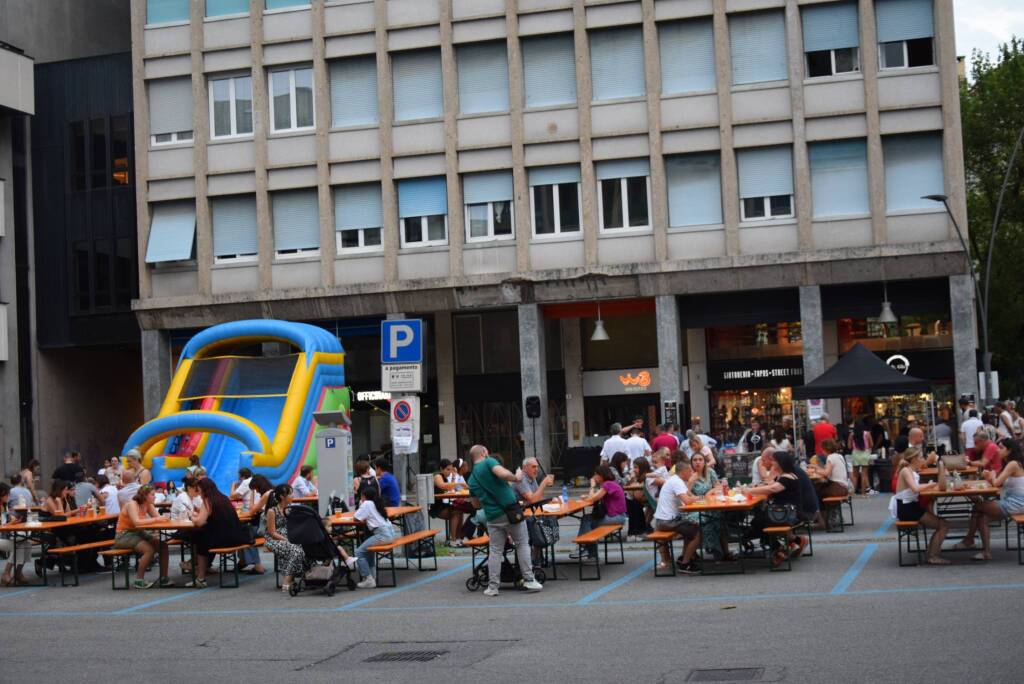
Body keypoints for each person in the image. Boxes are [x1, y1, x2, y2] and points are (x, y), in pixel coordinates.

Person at [466, 444, 543, 596]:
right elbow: (501, 473)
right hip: (510, 511)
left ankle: (493, 587)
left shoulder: (471, 479)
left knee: (495, 550)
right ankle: (528, 579)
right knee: (522, 543)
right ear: (484, 452)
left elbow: (475, 504)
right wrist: (517, 477)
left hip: (492, 516)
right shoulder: (488, 462)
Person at [265, 484, 357, 594]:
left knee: (305, 547)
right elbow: (272, 532)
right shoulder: (272, 511)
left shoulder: (291, 509)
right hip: (275, 539)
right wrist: (287, 539)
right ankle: (287, 579)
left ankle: (310, 577)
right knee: (297, 550)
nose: (292, 495)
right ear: (282, 496)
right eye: (290, 493)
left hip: (292, 537)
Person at [961, 439, 1024, 561]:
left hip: (1018, 504)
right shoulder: (1010, 463)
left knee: (977, 507)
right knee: (983, 517)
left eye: (1001, 448)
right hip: (1013, 502)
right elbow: (998, 484)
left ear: (1009, 450)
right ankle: (984, 551)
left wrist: (990, 476)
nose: (998, 450)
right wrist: (991, 477)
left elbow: (996, 483)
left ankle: (969, 539)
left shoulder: (1013, 464)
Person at [747, 452, 807, 567]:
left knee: (758, 523)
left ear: (780, 463)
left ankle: (780, 549)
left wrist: (749, 491)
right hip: (784, 512)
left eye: (774, 461)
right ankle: (794, 542)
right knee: (758, 520)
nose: (772, 462)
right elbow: (770, 484)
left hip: (788, 514)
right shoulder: (784, 475)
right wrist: (756, 487)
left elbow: (773, 488)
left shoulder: (787, 477)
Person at [187, 478, 250, 588]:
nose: (199, 493)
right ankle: (203, 567)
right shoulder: (224, 498)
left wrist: (192, 517)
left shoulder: (208, 500)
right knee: (203, 536)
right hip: (237, 536)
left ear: (204, 490)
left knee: (198, 539)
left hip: (224, 539)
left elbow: (200, 522)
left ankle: (200, 577)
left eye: (199, 490)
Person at [891, 449, 950, 564]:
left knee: (943, 524)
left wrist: (930, 485)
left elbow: (914, 487)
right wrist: (929, 485)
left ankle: (931, 552)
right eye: (921, 457)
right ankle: (932, 555)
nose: (923, 459)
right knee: (943, 525)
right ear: (914, 459)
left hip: (909, 507)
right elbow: (915, 489)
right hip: (907, 509)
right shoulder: (906, 470)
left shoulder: (910, 470)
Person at [113, 485, 173, 589]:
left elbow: (158, 518)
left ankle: (164, 578)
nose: (155, 497)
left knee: (163, 546)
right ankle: (139, 580)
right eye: (152, 495)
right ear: (145, 496)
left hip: (138, 532)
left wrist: (165, 518)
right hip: (124, 535)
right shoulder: (132, 504)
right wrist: (157, 520)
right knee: (149, 550)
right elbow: (137, 522)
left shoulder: (148, 504)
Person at [651, 452, 702, 574]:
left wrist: (695, 497)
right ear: (683, 471)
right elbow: (688, 501)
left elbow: (689, 496)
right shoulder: (677, 481)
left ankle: (684, 558)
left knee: (691, 527)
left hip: (665, 520)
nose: (691, 473)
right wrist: (698, 498)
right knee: (698, 532)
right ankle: (685, 564)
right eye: (690, 470)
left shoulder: (675, 480)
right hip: (666, 521)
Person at [570, 464, 628, 561]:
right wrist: (590, 495)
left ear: (602, 475)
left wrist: (592, 486)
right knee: (587, 520)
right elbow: (593, 498)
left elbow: (593, 499)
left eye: (596, 474)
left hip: (617, 517)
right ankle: (588, 552)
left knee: (587, 520)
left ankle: (584, 548)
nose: (594, 477)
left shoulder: (607, 484)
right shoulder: (610, 483)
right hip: (619, 516)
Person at [685, 451, 729, 560]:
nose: (697, 462)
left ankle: (725, 552)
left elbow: (718, 487)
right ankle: (717, 551)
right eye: (695, 460)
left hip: (712, 506)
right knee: (707, 521)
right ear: (691, 463)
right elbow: (686, 495)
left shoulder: (710, 472)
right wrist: (690, 482)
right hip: (695, 508)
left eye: (700, 460)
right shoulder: (689, 475)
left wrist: (709, 493)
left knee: (720, 520)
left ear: (705, 462)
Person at [353, 487, 397, 589]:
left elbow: (356, 518)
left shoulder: (367, 503)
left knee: (359, 552)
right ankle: (372, 576)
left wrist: (361, 503)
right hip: (390, 533)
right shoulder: (376, 503)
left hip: (382, 535)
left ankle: (368, 579)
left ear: (364, 496)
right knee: (368, 550)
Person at [515, 457, 557, 558]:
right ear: (525, 468)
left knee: (548, 520)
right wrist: (544, 483)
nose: (536, 469)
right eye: (533, 467)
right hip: (519, 515)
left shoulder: (532, 478)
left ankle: (538, 556)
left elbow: (538, 497)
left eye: (537, 467)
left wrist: (550, 501)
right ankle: (535, 558)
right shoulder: (521, 479)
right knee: (539, 525)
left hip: (529, 512)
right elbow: (532, 500)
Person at [0, 483, 31, 586]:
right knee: (19, 544)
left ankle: (17, 572)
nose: (8, 497)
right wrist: (10, 523)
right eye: (7, 495)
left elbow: (5, 522)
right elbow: (2, 526)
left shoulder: (4, 506)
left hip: (4, 536)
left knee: (26, 542)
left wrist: (14, 522)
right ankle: (7, 573)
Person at [808, 439, 850, 505]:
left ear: (825, 449)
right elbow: (827, 469)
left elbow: (826, 473)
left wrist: (815, 470)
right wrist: (816, 467)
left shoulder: (830, 457)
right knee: (819, 487)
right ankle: (826, 512)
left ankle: (822, 512)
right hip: (844, 488)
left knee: (815, 490)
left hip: (837, 489)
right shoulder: (839, 456)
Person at [848, 419, 874, 496]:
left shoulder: (852, 435)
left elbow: (849, 446)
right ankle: (863, 493)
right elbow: (871, 444)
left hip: (855, 454)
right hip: (865, 454)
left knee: (855, 475)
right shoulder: (867, 434)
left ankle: (852, 493)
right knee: (864, 474)